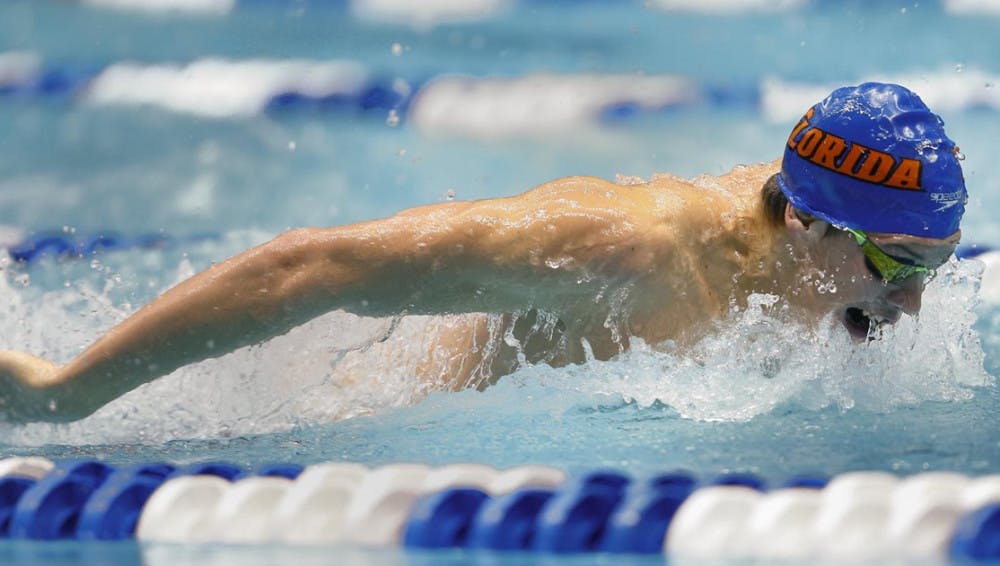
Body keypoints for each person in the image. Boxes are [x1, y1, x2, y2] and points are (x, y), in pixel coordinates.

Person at [0, 82, 967, 423]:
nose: (915, 308)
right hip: (381, 423)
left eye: (934, 266)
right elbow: (309, 266)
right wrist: (66, 392)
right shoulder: (622, 248)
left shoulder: (819, 245)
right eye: (897, 268)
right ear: (805, 222)